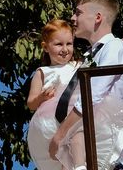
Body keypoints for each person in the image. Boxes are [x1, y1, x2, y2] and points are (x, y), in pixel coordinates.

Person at [49, 0, 123, 170]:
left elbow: (92, 94)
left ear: (98, 17)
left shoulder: (114, 46)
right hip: (80, 150)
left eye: (78, 12)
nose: (72, 18)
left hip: (102, 152)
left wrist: (60, 134)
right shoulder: (89, 56)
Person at [27, 19, 85, 170]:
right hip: (51, 122)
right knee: (63, 156)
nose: (65, 49)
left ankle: (80, 167)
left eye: (69, 44)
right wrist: (41, 97)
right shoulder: (42, 72)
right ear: (46, 47)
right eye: (59, 44)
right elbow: (31, 103)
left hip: (73, 116)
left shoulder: (78, 65)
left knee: (76, 138)